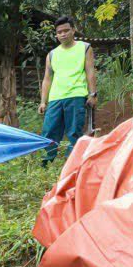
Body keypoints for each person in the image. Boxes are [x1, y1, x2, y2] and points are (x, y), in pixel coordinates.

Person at [38, 16, 96, 164]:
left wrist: (92, 94)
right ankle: (47, 161)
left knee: (74, 132)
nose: (63, 34)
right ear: (56, 34)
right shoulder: (52, 54)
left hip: (77, 95)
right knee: (49, 131)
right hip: (56, 98)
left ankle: (72, 164)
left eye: (66, 30)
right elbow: (47, 78)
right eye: (59, 32)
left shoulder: (84, 47)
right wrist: (43, 101)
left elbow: (90, 71)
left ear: (73, 30)